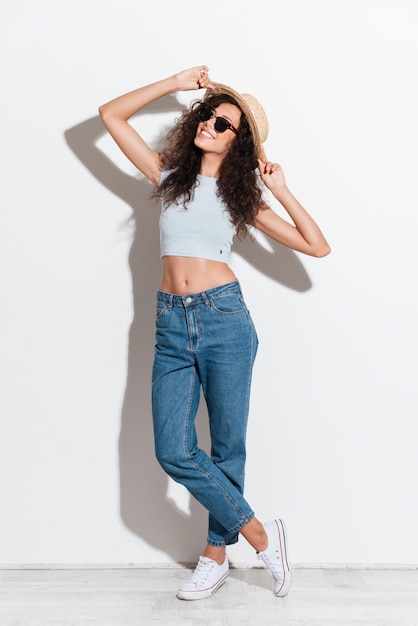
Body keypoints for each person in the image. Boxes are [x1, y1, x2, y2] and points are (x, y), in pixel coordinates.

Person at [99, 65, 330, 601]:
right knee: (174, 450)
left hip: (225, 319)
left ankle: (215, 557)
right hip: (170, 323)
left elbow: (316, 246)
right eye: (207, 114)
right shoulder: (167, 174)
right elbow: (111, 115)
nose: (210, 124)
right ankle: (260, 534)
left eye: (224, 124)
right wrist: (175, 82)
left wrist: (283, 189)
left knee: (227, 448)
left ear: (240, 142)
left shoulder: (242, 197)